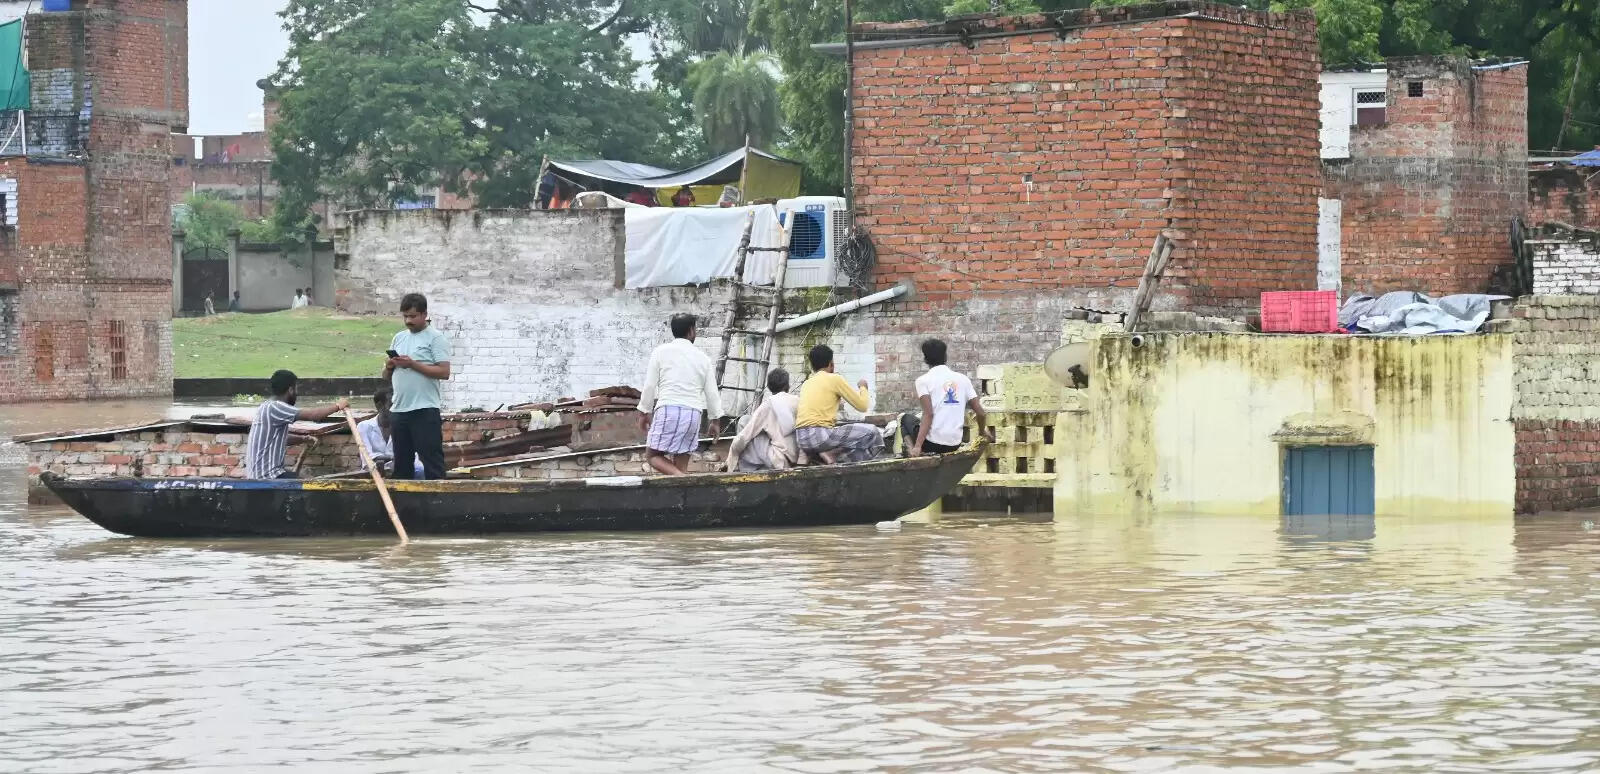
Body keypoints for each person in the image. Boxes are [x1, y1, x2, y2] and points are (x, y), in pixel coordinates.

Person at [638, 313, 721, 476]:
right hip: (693, 415)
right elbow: (712, 393)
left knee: (653, 455)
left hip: (668, 410)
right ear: (691, 331)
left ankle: (684, 479)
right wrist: (715, 421)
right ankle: (682, 489)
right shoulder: (703, 358)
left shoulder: (660, 352)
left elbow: (649, 386)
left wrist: (644, 412)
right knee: (680, 466)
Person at [384, 293, 452, 479]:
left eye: (413, 316)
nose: (408, 320)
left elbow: (444, 372)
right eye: (405, 316)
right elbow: (385, 376)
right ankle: (403, 506)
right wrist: (389, 366)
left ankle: (437, 503)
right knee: (401, 464)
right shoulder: (399, 337)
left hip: (424, 409)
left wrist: (413, 364)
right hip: (399, 409)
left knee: (432, 462)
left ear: (424, 314)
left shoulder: (436, 338)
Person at [245, 369, 349, 479]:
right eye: (296, 389)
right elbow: (314, 415)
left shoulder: (266, 406)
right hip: (267, 477)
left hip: (260, 475)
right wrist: (338, 406)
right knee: (305, 488)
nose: (296, 393)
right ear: (290, 390)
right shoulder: (276, 407)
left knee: (296, 478)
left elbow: (281, 439)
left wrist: (304, 439)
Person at [794, 345, 884, 464]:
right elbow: (862, 406)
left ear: (812, 366)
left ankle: (825, 458)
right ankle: (834, 455)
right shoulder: (835, 379)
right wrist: (863, 387)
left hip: (801, 439)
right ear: (831, 364)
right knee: (872, 432)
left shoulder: (807, 383)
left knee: (847, 437)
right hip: (819, 436)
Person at [910, 338, 989, 456]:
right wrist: (982, 432)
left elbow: (928, 414)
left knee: (904, 419)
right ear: (945, 357)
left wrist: (918, 445)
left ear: (925, 359)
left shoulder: (922, 381)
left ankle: (914, 452)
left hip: (932, 444)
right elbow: (981, 413)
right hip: (955, 444)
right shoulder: (963, 379)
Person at [725, 368, 801, 472]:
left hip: (779, 460)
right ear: (787, 386)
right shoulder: (798, 400)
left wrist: (731, 458)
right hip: (797, 457)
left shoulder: (768, 405)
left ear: (769, 388)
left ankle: (745, 470)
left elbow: (743, 437)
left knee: (744, 422)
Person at [355, 387, 425, 477]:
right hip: (373, 473)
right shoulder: (364, 426)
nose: (396, 409)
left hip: (401, 471)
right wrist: (393, 457)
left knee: (421, 471)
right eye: (392, 405)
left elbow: (413, 455)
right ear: (379, 406)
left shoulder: (404, 426)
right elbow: (367, 457)